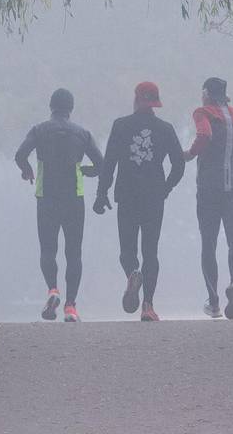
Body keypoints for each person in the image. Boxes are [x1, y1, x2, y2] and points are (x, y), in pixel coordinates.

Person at [95, 81, 185, 322]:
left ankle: (133, 273)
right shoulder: (165, 129)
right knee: (151, 251)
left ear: (136, 99)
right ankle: (148, 306)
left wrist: (101, 193)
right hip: (154, 196)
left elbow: (109, 163)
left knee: (127, 250)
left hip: (127, 195)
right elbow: (179, 164)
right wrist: (166, 188)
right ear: (156, 103)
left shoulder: (121, 126)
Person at [14, 88, 103, 322]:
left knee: (48, 249)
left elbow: (20, 154)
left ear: (51, 106)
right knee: (73, 253)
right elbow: (101, 164)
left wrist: (27, 169)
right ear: (70, 109)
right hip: (74, 198)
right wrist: (88, 171)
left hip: (47, 198)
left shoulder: (39, 130)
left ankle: (53, 290)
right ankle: (71, 307)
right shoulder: (82, 133)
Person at [185, 77, 233, 320]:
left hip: (209, 186)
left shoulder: (202, 112)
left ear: (206, 93)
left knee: (209, 243)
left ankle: (214, 301)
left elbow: (204, 134)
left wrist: (189, 154)